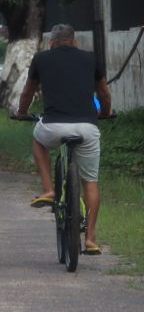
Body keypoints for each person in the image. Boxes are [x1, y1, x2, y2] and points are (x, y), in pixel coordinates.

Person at [14, 23, 113, 255]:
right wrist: (106, 112)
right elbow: (104, 93)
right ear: (74, 41)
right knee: (90, 183)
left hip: (52, 127)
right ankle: (90, 239)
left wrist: (21, 112)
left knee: (38, 140)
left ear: (51, 43)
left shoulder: (41, 59)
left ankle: (49, 189)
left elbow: (28, 92)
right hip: (87, 128)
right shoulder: (91, 59)